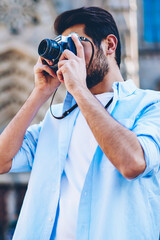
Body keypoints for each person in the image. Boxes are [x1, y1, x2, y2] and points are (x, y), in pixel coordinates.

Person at [0, 6, 160, 240]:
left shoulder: (150, 105)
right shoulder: (56, 118)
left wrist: (78, 88)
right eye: (64, 46)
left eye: (77, 43)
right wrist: (40, 93)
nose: (69, 55)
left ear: (110, 45)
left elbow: (133, 163)